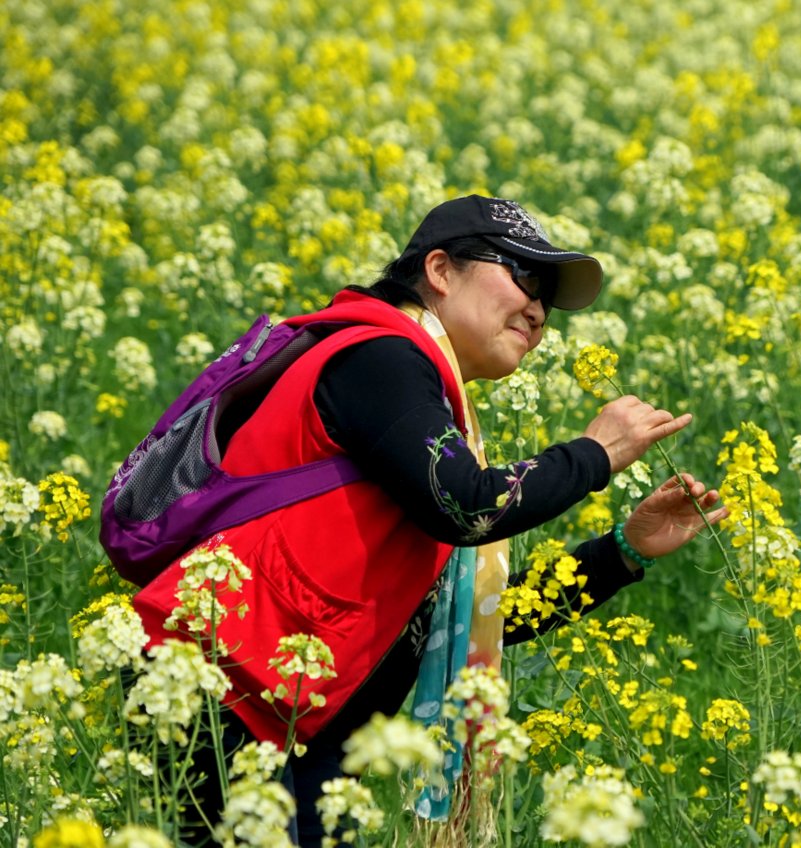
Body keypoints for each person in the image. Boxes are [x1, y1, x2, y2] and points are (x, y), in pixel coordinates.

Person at [130, 195, 727, 845]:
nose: (537, 308)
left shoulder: (431, 412)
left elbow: (476, 610)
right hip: (224, 695)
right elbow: (467, 506)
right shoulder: (379, 356)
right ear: (440, 271)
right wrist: (596, 455)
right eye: (522, 276)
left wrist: (622, 551)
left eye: (548, 299)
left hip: (300, 720)